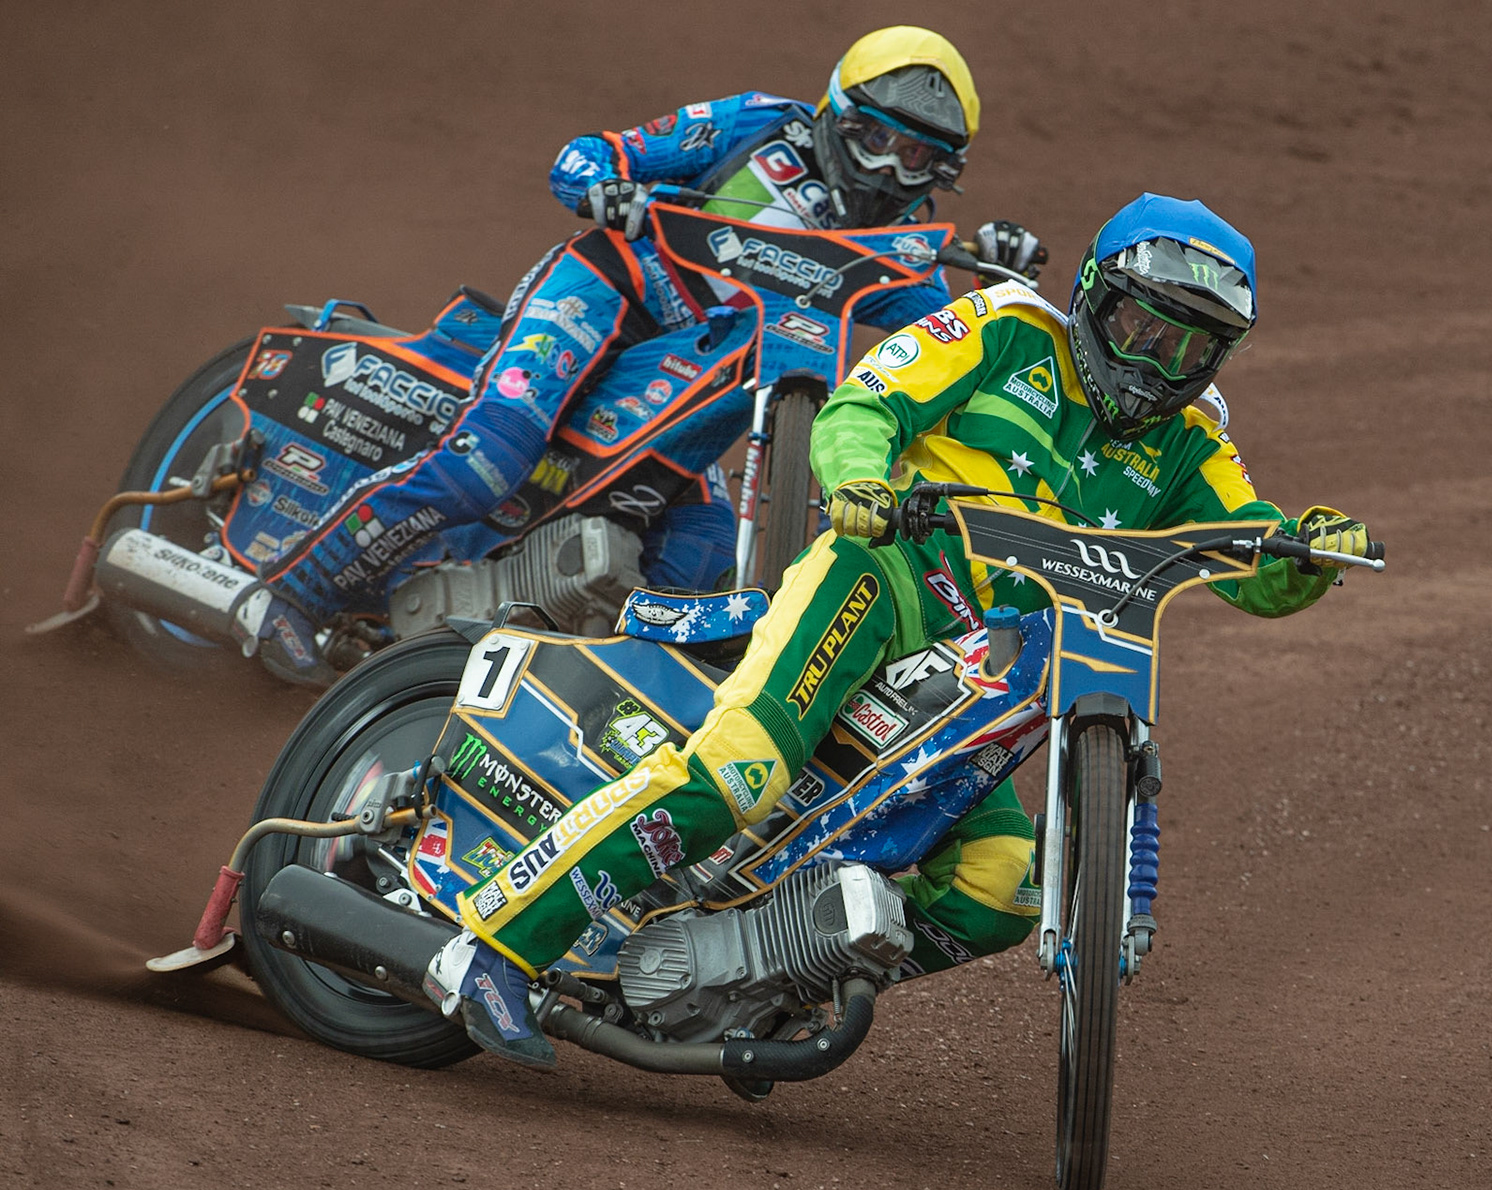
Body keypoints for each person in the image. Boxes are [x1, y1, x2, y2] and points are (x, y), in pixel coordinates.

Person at [423, 192, 1373, 1069]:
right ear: (1093, 292)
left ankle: (775, 968)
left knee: (1003, 884)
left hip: (986, 674)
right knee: (741, 770)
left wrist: (1308, 552)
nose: (1156, 364)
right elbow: (863, 403)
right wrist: (859, 481)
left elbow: (1252, 557)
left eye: (1189, 349)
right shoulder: (1006, 329)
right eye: (1142, 329)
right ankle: (492, 948)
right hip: (881, 581)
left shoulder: (1192, 442)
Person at [248, 26, 1046, 683]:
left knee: (701, 558)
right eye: (874, 138)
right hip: (608, 292)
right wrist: (603, 186)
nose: (886, 167)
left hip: (694, 374)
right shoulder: (758, 124)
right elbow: (588, 154)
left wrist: (997, 283)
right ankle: (290, 591)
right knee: (490, 459)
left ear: (942, 170)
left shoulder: (903, 244)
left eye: (914, 157)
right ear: (836, 114)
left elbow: (948, 341)